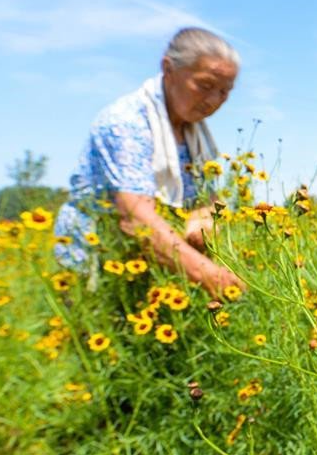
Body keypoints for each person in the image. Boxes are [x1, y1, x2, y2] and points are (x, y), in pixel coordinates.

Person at [54, 27, 245, 296]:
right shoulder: (126, 122)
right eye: (205, 86)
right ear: (168, 69)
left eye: (225, 92)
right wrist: (212, 277)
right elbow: (136, 219)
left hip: (154, 265)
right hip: (99, 259)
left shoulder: (193, 133)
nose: (213, 101)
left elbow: (207, 197)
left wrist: (204, 219)